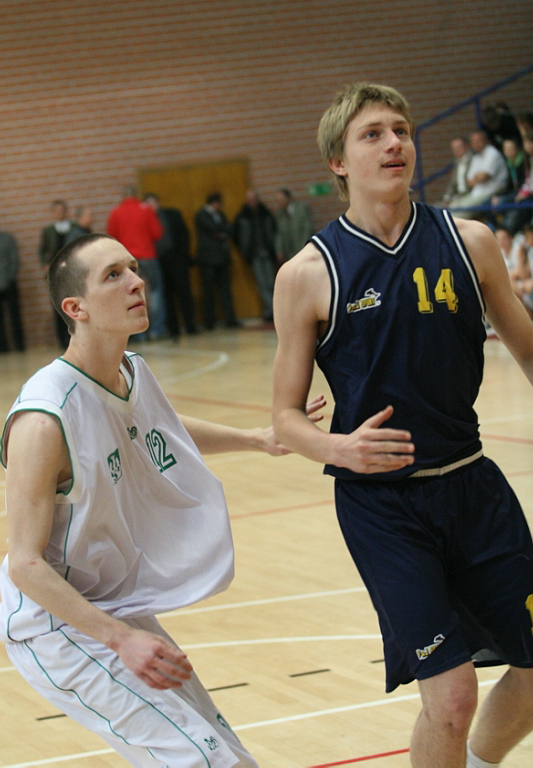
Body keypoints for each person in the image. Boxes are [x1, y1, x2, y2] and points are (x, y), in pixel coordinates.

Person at [272, 82, 533, 768]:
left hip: (472, 486)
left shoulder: (470, 242)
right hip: (383, 506)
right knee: (450, 697)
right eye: (373, 134)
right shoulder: (308, 273)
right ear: (338, 162)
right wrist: (339, 447)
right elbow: (284, 418)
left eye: (401, 130)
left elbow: (529, 352)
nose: (394, 143)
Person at [0, 232, 325, 768]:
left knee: (231, 755)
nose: (136, 281)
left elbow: (163, 426)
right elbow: (25, 565)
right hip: (54, 622)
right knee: (204, 761)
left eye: (133, 268)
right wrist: (120, 639)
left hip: (109, 603)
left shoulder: (130, 371)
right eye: (113, 275)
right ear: (76, 308)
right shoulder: (43, 420)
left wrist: (256, 438)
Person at [107, 186, 166, 339]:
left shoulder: (116, 212)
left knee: (129, 294)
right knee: (155, 291)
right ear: (136, 195)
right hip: (148, 255)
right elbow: (157, 233)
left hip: (126, 260)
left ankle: (137, 334)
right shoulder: (146, 210)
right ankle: (157, 330)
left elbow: (111, 237)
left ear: (123, 196)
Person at [144, 193, 198, 337]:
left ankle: (191, 325)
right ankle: (173, 329)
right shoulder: (146, 219)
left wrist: (183, 255)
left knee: (184, 292)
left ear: (158, 203)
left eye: (153, 203)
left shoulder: (172, 214)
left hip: (177, 258)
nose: (151, 207)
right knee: (166, 295)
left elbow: (184, 234)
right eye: (148, 204)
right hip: (159, 260)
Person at [194, 192, 240, 330]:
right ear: (214, 202)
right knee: (209, 291)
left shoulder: (220, 214)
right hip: (208, 259)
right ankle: (209, 321)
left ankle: (230, 319)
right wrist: (220, 232)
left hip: (222, 258)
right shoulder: (201, 214)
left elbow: (229, 229)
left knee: (226, 290)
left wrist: (220, 233)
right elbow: (212, 228)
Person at [233, 189, 277, 323]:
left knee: (271, 282)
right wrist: (244, 249)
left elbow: (274, 230)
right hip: (254, 254)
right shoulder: (242, 216)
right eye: (249, 199)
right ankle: (270, 310)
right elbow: (236, 235)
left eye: (253, 198)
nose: (252, 201)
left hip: (267, 252)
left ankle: (275, 309)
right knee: (262, 283)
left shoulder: (265, 213)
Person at [38, 199, 76, 348]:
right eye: (57, 211)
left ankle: (75, 335)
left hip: (72, 270)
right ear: (53, 213)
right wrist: (45, 264)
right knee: (58, 305)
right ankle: (62, 340)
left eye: (62, 210)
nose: (60, 213)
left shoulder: (73, 228)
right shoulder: (47, 231)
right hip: (56, 273)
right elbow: (42, 251)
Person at [449, 130, 509, 218]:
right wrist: (478, 178)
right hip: (476, 193)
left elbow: (483, 177)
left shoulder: (492, 152)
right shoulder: (476, 157)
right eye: (473, 141)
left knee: (460, 213)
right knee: (451, 208)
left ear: (485, 140)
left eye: (478, 141)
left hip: (492, 192)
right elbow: (469, 182)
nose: (476, 144)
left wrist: (478, 178)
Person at [0, 230, 25, 352]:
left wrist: (9, 277)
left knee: (15, 316)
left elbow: (14, 259)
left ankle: (19, 345)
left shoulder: (7, 238)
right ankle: (3, 347)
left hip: (9, 283)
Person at [274, 188, 314, 263]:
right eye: (277, 200)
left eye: (281, 200)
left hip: (302, 247)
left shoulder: (301, 209)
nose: (279, 202)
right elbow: (279, 233)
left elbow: (307, 229)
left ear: (287, 198)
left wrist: (304, 246)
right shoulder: (280, 214)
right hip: (289, 252)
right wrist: (279, 250)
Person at [440, 136, 473, 209]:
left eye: (459, 147)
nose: (456, 150)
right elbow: (452, 183)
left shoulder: (473, 158)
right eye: (454, 149)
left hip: (471, 195)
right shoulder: (457, 161)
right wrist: (447, 198)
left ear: (466, 146)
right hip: (459, 196)